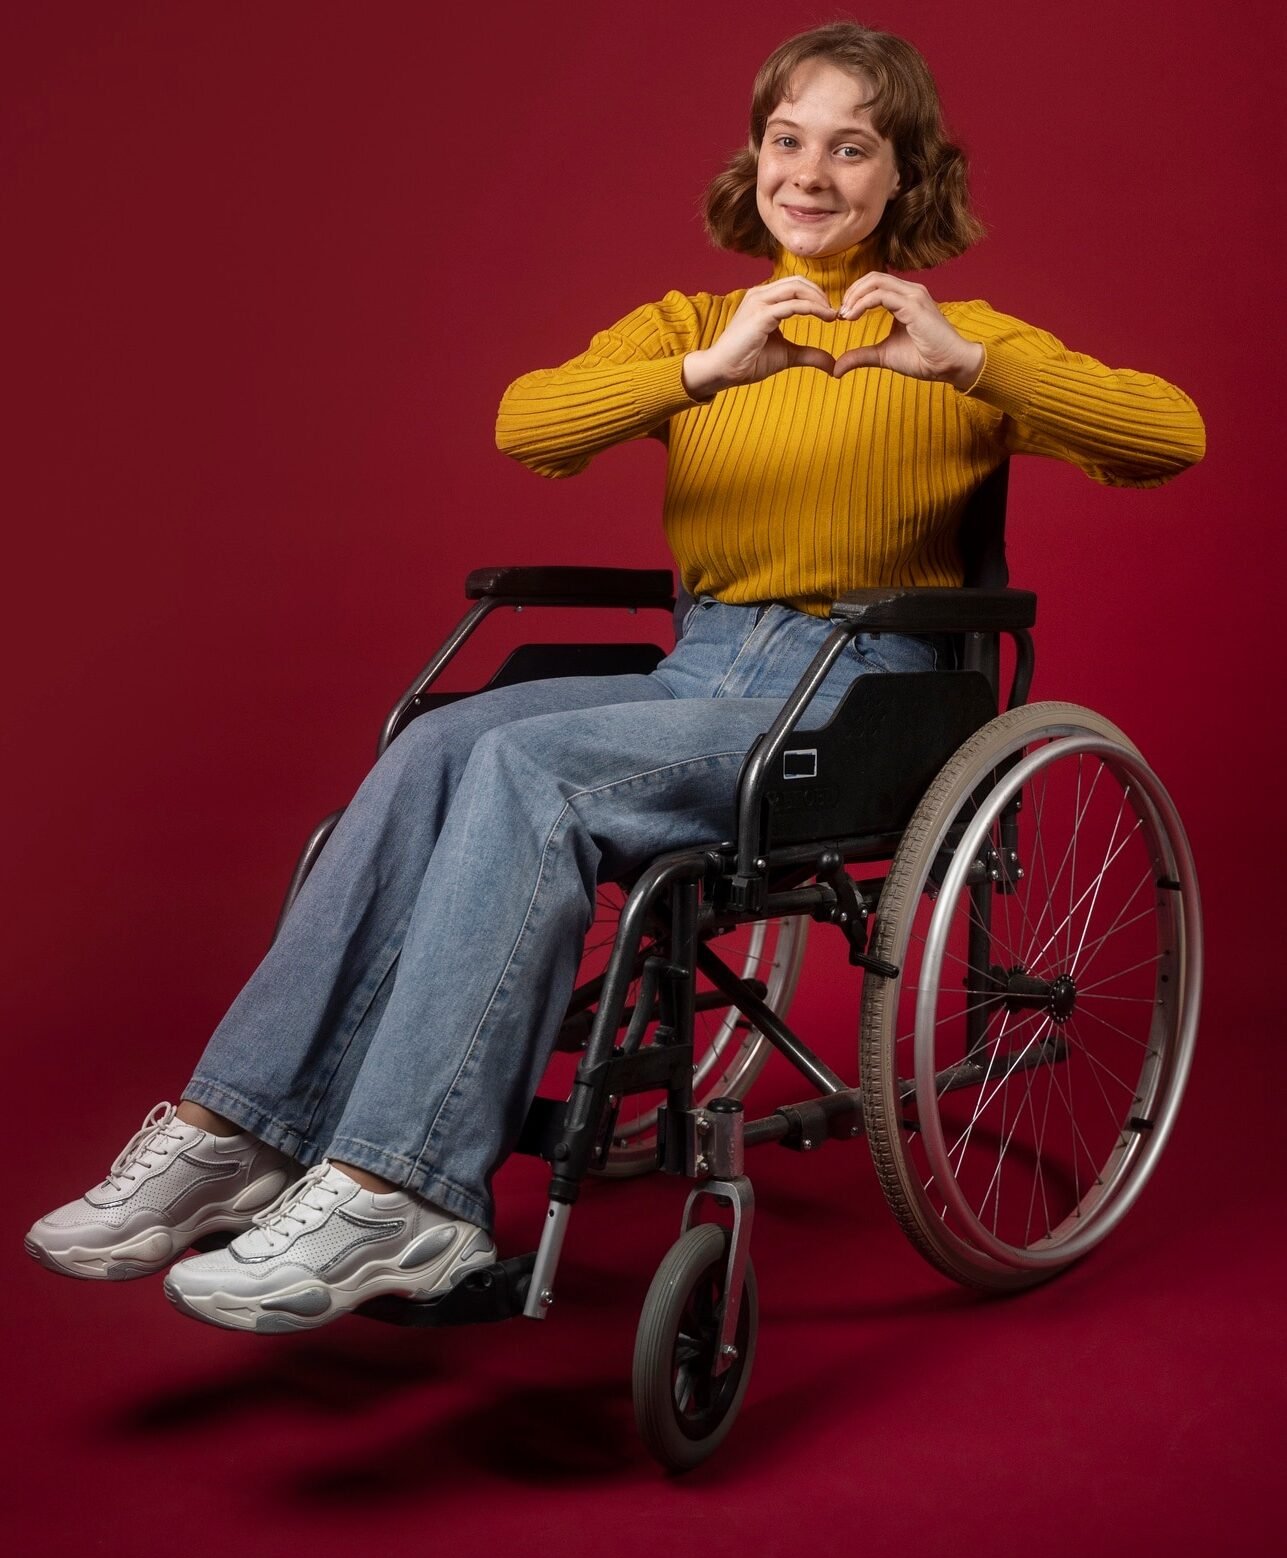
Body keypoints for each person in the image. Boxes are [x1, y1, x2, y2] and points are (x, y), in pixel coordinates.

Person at [25, 21, 1203, 1332]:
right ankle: (232, 1134)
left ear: (905, 175)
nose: (809, 172)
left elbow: (1170, 436)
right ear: (755, 159)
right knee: (436, 745)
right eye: (786, 139)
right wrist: (703, 371)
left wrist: (969, 361)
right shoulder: (694, 326)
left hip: (854, 691)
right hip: (702, 668)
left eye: (851, 146)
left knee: (532, 770)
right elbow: (527, 427)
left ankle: (398, 1196)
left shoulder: (960, 344)